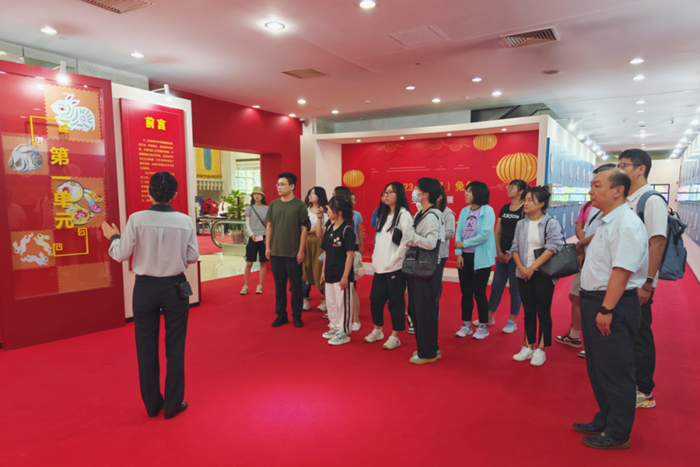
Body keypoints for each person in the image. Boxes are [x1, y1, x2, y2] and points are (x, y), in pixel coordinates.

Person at [102, 172, 198, 420]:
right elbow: (193, 257)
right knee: (175, 346)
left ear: (149, 192)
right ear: (175, 195)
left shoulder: (136, 219)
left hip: (144, 287)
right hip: (175, 286)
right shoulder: (185, 221)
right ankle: (173, 404)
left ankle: (152, 404)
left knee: (145, 347)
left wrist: (113, 237)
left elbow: (121, 254)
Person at [573, 167, 648, 450]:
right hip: (595, 301)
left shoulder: (626, 224)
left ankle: (618, 433)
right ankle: (605, 418)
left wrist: (606, 309)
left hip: (611, 305)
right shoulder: (606, 220)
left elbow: (622, 271)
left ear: (618, 190)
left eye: (597, 185)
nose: (591, 191)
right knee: (599, 368)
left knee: (615, 370)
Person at [617, 149, 667, 409]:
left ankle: (644, 390)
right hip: (622, 280)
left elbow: (657, 243)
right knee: (626, 334)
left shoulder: (651, 200)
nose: (619, 169)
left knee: (640, 335)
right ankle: (630, 382)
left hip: (639, 283)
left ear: (641, 169)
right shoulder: (626, 199)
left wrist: (648, 283)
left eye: (623, 165)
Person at [556, 163, 616, 357]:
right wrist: (581, 247)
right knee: (576, 296)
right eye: (592, 185)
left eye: (598, 185)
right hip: (585, 259)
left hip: (600, 263)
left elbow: (602, 233)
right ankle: (576, 336)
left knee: (596, 300)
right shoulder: (589, 205)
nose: (592, 190)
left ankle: (595, 343)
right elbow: (580, 226)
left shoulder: (616, 212)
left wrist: (582, 243)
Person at [510, 186, 564, 366]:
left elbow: (553, 247)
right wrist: (521, 267)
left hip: (543, 274)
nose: (525, 203)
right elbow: (514, 247)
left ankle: (541, 349)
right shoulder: (521, 223)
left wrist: (532, 267)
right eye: (525, 199)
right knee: (528, 311)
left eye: (530, 200)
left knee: (543, 311)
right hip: (523, 273)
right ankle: (528, 346)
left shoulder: (551, 223)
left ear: (541, 204)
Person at [395, 177, 443, 364]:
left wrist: (411, 236)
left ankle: (428, 353)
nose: (414, 191)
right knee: (418, 310)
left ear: (426, 194)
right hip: (417, 268)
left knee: (424, 311)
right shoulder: (421, 213)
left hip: (426, 270)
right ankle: (429, 348)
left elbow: (431, 243)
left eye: (417, 188)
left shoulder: (432, 215)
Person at [365, 182, 413, 350]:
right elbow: (379, 240)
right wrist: (375, 258)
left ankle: (395, 336)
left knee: (395, 302)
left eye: (390, 192)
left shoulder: (404, 215)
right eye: (385, 192)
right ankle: (377, 330)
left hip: (395, 267)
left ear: (398, 194)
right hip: (380, 266)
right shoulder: (382, 214)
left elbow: (407, 240)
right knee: (375, 300)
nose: (385, 195)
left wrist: (395, 258)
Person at [266, 172, 310, 328]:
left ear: (292, 186)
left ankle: (297, 315)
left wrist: (301, 251)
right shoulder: (273, 204)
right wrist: (268, 246)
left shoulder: (299, 205)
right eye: (277, 184)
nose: (279, 187)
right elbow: (269, 225)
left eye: (282, 184)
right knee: (279, 287)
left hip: (293, 253)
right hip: (276, 252)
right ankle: (281, 315)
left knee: (296, 286)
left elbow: (304, 229)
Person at [454, 181, 497, 340]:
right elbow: (458, 232)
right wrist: (459, 253)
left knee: (479, 293)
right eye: (466, 190)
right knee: (466, 293)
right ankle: (466, 325)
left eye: (469, 191)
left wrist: (464, 244)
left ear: (478, 193)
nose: (466, 193)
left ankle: (483, 326)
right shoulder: (464, 211)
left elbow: (484, 235)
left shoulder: (488, 210)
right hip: (464, 257)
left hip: (481, 258)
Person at [487, 179, 528, 334]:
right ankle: (489, 316)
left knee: (515, 289)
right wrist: (498, 251)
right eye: (508, 186)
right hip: (501, 255)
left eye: (513, 187)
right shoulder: (505, 208)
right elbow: (497, 232)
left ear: (521, 191)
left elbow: (524, 236)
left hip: (516, 256)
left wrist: (511, 254)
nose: (509, 189)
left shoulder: (525, 209)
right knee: (496, 285)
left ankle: (512, 321)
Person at [320, 196, 357, 346]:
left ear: (339, 211)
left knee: (343, 304)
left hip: (342, 275)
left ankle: (344, 332)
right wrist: (323, 272)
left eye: (330, 208)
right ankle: (334, 326)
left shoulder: (347, 230)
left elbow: (350, 255)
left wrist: (345, 276)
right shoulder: (329, 228)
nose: (327, 211)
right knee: (331, 303)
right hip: (329, 273)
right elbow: (326, 253)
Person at [333, 186, 362, 331]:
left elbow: (358, 231)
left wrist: (361, 246)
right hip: (336, 250)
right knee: (337, 286)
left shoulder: (352, 214)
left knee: (351, 287)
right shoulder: (334, 215)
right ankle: (339, 316)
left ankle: (355, 319)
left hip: (350, 248)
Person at [303, 186, 329, 311]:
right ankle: (304, 299)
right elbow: (301, 226)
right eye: (310, 193)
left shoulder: (326, 210)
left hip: (321, 243)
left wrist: (307, 230)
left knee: (320, 269)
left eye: (313, 193)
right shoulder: (305, 210)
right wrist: (307, 231)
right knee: (305, 269)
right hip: (306, 242)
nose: (310, 195)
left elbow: (324, 227)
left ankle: (325, 300)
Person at [241, 187, 268, 295]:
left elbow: (269, 224)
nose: (257, 196)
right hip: (252, 237)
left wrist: (268, 236)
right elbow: (247, 223)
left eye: (259, 194)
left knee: (263, 262)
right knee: (249, 262)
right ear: (252, 196)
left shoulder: (267, 208)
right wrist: (251, 234)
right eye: (255, 194)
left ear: (262, 196)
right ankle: (245, 285)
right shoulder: (249, 208)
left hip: (264, 237)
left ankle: (260, 285)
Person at [436, 186, 456, 318]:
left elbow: (450, 233)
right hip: (426, 252)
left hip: (440, 253)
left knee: (436, 281)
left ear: (441, 196)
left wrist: (434, 234)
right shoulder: (428, 210)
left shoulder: (448, 213)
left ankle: (435, 308)